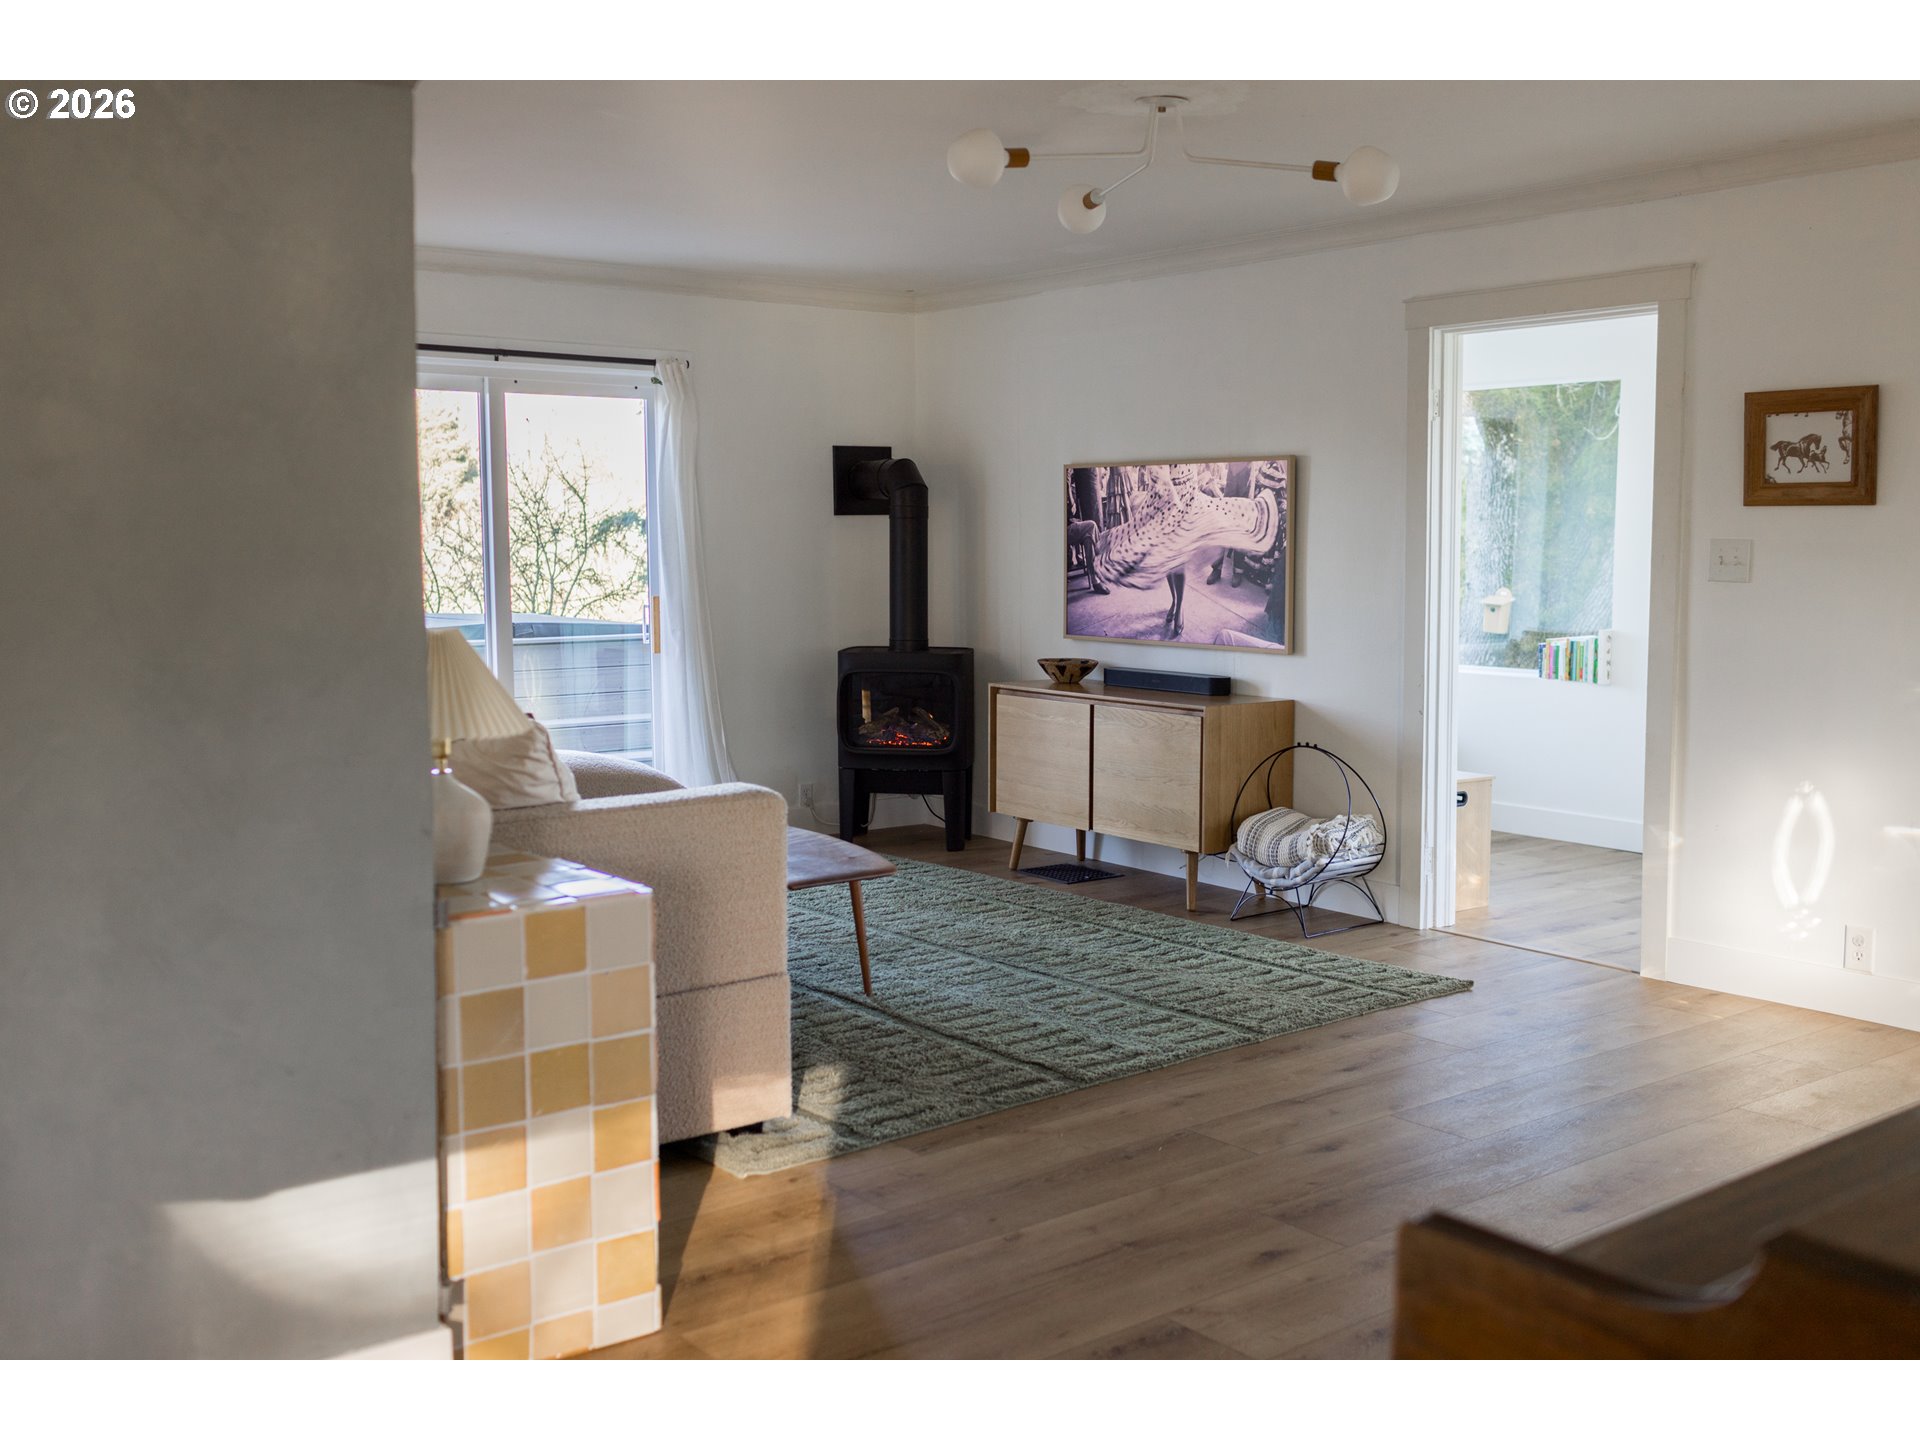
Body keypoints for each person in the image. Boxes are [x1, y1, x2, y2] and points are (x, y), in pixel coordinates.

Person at [1088, 462, 1280, 638]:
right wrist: (1170, 496)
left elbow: (1202, 467)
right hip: (1162, 503)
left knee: (1177, 562)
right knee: (1166, 558)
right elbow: (1156, 473)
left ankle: (1179, 607)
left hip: (1187, 499)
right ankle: (1174, 601)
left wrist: (1209, 483)